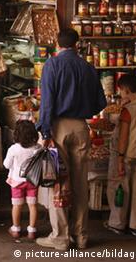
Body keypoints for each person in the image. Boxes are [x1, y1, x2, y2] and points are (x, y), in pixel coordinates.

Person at [36, 29, 107, 251]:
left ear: (57, 44)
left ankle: (60, 237)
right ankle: (81, 236)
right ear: (77, 44)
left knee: (57, 182)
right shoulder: (88, 67)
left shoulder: (52, 65)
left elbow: (47, 103)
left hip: (58, 127)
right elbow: (100, 103)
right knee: (79, 183)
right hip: (81, 128)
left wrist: (46, 132)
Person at [104, 74, 136, 238]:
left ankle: (117, 223)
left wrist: (119, 159)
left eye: (121, 91)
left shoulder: (127, 111)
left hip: (125, 154)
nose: (120, 94)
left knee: (118, 188)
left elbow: (123, 137)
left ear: (126, 89)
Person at [4, 120, 41, 240]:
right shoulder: (38, 148)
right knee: (33, 205)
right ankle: (32, 231)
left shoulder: (14, 149)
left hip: (17, 182)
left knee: (17, 206)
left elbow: (6, 165)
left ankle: (16, 229)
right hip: (32, 182)